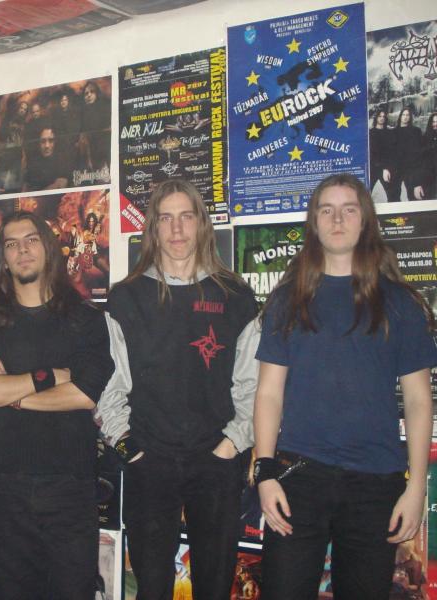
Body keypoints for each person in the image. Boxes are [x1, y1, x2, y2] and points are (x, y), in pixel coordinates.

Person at [254, 173, 436, 600]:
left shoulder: (400, 303)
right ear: (314, 222)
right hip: (298, 479)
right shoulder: (287, 299)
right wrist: (265, 473)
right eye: (327, 210)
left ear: (365, 220)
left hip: (375, 482)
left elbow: (417, 399)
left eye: (349, 209)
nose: (337, 219)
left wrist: (417, 487)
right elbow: (268, 393)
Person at [107, 178, 260, 600]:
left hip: (216, 461)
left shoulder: (236, 296)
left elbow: (253, 384)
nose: (176, 229)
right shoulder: (126, 298)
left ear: (201, 224)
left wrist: (232, 444)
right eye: (166, 218)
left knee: (214, 585)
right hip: (149, 461)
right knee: (152, 588)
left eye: (186, 217)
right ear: (152, 229)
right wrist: (129, 447)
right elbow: (109, 384)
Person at [0, 211, 115, 599]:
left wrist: (14, 396)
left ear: (47, 247)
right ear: (3, 258)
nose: (22, 250)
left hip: (71, 486)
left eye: (30, 240)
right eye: (11, 244)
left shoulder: (85, 319)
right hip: (6, 487)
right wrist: (49, 377)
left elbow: (84, 393)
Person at [390, 107, 425, 201]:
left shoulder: (416, 131)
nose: (405, 117)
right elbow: (390, 151)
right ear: (400, 116)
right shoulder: (393, 132)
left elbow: (419, 150)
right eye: (403, 115)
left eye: (407, 115)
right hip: (397, 167)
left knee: (413, 195)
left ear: (410, 117)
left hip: (411, 167)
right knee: (393, 196)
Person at [22, 125, 68, 191]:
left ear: (55, 142)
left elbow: (60, 185)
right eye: (43, 141)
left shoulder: (62, 160)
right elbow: (25, 188)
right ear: (38, 143)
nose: (47, 146)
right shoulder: (33, 163)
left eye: (51, 141)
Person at [368, 109, 397, 203]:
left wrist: (386, 168)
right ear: (376, 118)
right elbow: (370, 152)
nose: (382, 118)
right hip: (372, 168)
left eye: (384, 116)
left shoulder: (389, 133)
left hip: (384, 168)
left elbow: (391, 152)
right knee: (365, 194)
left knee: (392, 195)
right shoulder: (369, 133)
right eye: (380, 116)